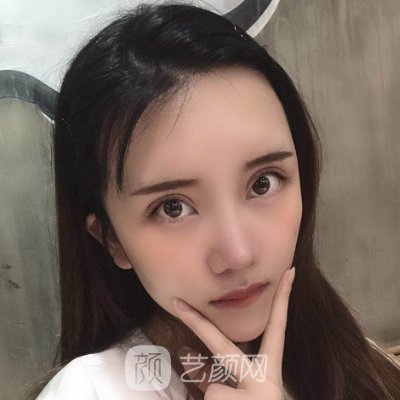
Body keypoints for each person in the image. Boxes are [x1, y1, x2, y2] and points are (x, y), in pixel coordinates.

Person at [26, 2, 400, 400]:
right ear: (112, 238)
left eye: (263, 184)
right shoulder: (92, 390)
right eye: (173, 207)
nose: (238, 255)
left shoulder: (348, 353)